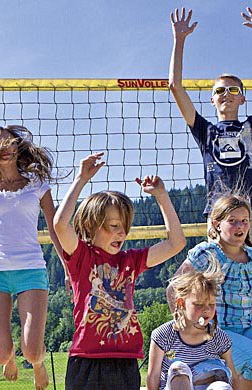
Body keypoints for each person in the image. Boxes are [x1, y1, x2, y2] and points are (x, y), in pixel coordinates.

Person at [168, 6, 252, 293]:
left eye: (233, 90)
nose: (226, 94)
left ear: (243, 98)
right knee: (214, 291)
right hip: (218, 217)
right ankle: (219, 339)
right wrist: (179, 39)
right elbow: (175, 86)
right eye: (219, 90)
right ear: (212, 100)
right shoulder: (205, 131)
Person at [52, 152, 186, 390]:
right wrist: (81, 179)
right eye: (114, 226)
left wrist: (162, 197)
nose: (121, 233)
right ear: (89, 225)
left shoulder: (130, 261)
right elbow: (60, 224)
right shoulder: (82, 257)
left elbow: (176, 243)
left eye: (124, 227)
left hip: (125, 360)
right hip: (86, 360)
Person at [170, 195, 252, 390]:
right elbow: (173, 289)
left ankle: (235, 382)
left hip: (246, 328)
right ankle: (234, 381)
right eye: (232, 221)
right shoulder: (207, 254)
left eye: (244, 221)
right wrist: (187, 327)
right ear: (217, 224)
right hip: (216, 330)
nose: (240, 226)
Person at [0, 125, 64, 389]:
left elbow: (54, 227)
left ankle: (38, 366)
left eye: (10, 143)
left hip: (31, 269)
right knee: (0, 353)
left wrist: (68, 268)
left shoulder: (37, 184)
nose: (6, 149)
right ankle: (10, 359)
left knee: (33, 351)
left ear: (17, 147)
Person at [147, 269, 240, 390]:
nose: (206, 310)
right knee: (178, 369)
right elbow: (153, 376)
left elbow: (233, 375)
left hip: (207, 384)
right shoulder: (163, 334)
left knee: (221, 386)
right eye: (199, 304)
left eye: (211, 305)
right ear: (181, 303)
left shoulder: (219, 337)